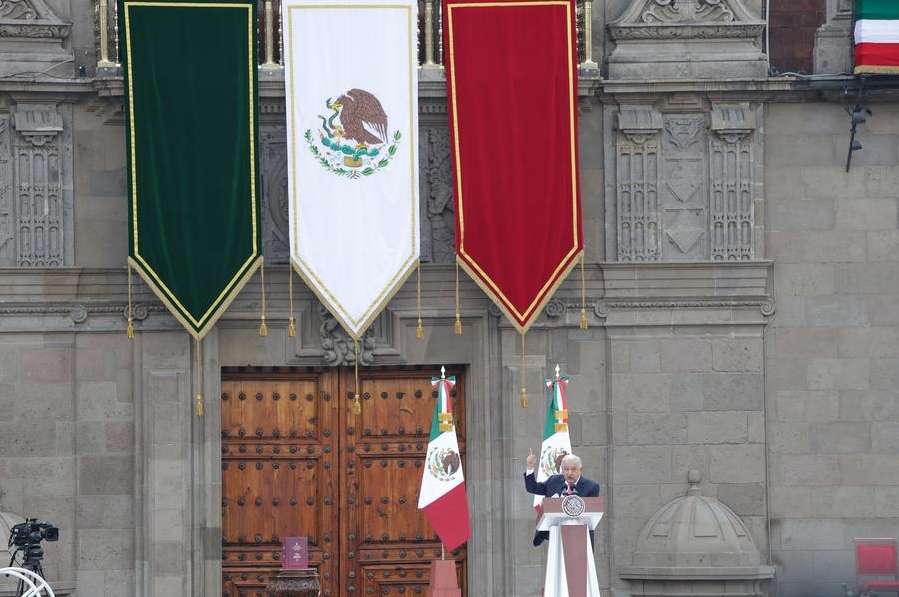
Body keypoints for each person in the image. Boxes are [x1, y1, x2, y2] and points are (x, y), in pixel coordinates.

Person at [524, 449, 600, 547]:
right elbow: (532, 488)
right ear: (562, 470)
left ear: (580, 470)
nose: (569, 473)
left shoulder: (591, 487)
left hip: (580, 538)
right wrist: (530, 467)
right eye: (566, 469)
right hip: (555, 534)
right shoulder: (553, 481)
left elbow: (591, 515)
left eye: (573, 469)